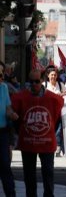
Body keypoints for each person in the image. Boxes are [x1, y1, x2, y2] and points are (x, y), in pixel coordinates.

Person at [12, 70, 64, 197]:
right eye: (31, 82)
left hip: (47, 143)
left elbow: (56, 117)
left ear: (42, 81)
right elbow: (15, 118)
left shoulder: (53, 98)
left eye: (37, 81)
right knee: (29, 175)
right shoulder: (20, 98)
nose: (34, 84)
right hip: (28, 143)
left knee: (48, 172)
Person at [0, 69, 19, 197]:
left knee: (5, 167)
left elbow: (7, 108)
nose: (0, 78)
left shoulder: (4, 88)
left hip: (2, 133)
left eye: (1, 75)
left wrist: (12, 114)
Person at [42, 67, 66, 157]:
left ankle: (57, 147)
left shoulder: (60, 85)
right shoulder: (44, 85)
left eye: (55, 75)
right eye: (52, 75)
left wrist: (61, 95)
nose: (53, 76)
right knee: (49, 129)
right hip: (47, 112)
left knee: (58, 130)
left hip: (59, 112)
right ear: (48, 76)